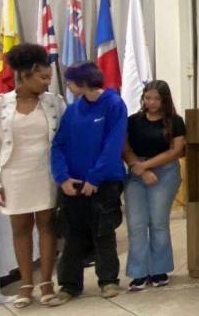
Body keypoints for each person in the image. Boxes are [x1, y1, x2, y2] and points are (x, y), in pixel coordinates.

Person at [0, 44, 66, 308]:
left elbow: (64, 140)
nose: (47, 82)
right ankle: (25, 284)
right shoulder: (0, 105)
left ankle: (47, 283)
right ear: (24, 75)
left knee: (47, 226)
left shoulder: (55, 103)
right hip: (14, 173)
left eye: (49, 77)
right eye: (42, 77)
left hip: (45, 172)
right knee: (20, 228)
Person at [51, 62, 128, 301]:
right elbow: (58, 145)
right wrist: (62, 177)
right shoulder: (73, 110)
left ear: (82, 82)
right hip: (73, 184)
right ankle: (69, 285)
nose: (68, 86)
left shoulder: (114, 104)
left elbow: (113, 144)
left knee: (103, 232)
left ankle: (108, 280)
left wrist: (95, 177)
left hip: (103, 183)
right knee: (72, 235)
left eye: (70, 82)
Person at [122, 80, 187, 291]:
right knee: (136, 223)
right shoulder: (133, 121)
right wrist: (139, 168)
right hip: (137, 172)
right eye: (147, 98)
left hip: (165, 171)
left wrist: (147, 166)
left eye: (156, 99)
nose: (151, 102)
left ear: (164, 100)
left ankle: (160, 269)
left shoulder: (175, 121)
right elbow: (125, 148)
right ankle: (139, 272)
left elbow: (175, 151)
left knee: (158, 221)